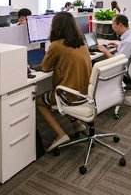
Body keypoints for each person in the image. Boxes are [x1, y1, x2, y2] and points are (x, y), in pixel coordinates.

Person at [37, 12, 92, 152]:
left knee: (39, 101)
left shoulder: (56, 45)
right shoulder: (82, 43)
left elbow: (45, 67)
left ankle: (60, 134)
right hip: (85, 94)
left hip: (69, 96)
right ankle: (77, 124)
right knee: (67, 87)